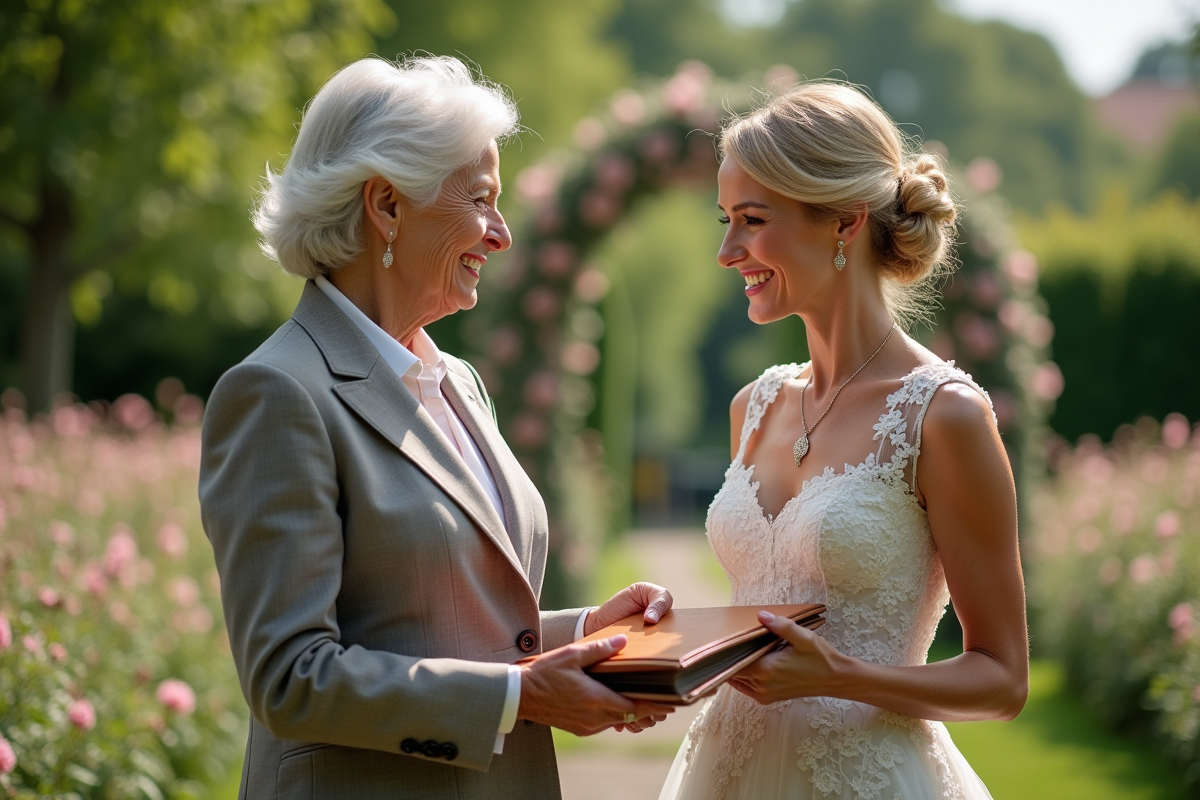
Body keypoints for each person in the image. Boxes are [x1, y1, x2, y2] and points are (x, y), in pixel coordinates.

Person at [198, 56, 673, 800]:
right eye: (482, 200)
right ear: (386, 204)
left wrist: (584, 638)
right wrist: (522, 696)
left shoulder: (456, 381)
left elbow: (438, 623)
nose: (502, 234)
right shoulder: (276, 393)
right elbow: (290, 678)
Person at [659, 82, 1028, 800]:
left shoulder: (942, 416)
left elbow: (1003, 679)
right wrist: (671, 650)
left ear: (845, 223)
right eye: (725, 220)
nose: (727, 250)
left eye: (751, 220)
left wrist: (843, 679)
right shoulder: (754, 407)